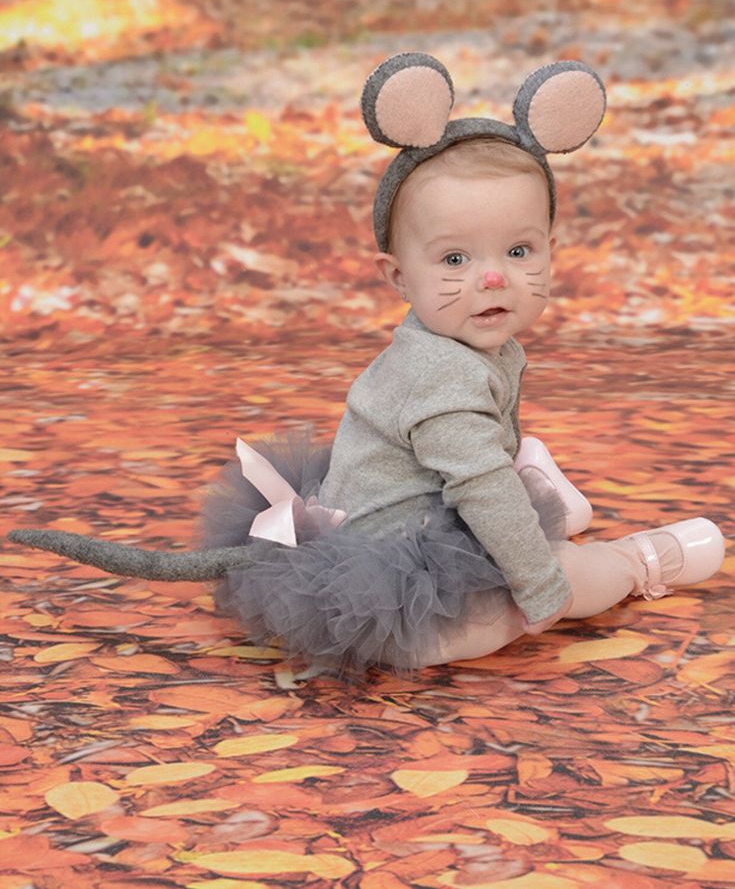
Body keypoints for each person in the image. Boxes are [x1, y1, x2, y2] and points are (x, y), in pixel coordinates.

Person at [8, 52, 726, 674]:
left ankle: (547, 492)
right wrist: (543, 588)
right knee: (516, 605)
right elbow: (479, 489)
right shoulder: (441, 379)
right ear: (396, 277)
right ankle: (639, 561)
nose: (493, 278)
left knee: (505, 513)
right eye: (454, 258)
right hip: (394, 550)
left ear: (549, 249)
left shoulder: (461, 343)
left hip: (431, 499)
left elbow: (478, 468)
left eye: (518, 250)